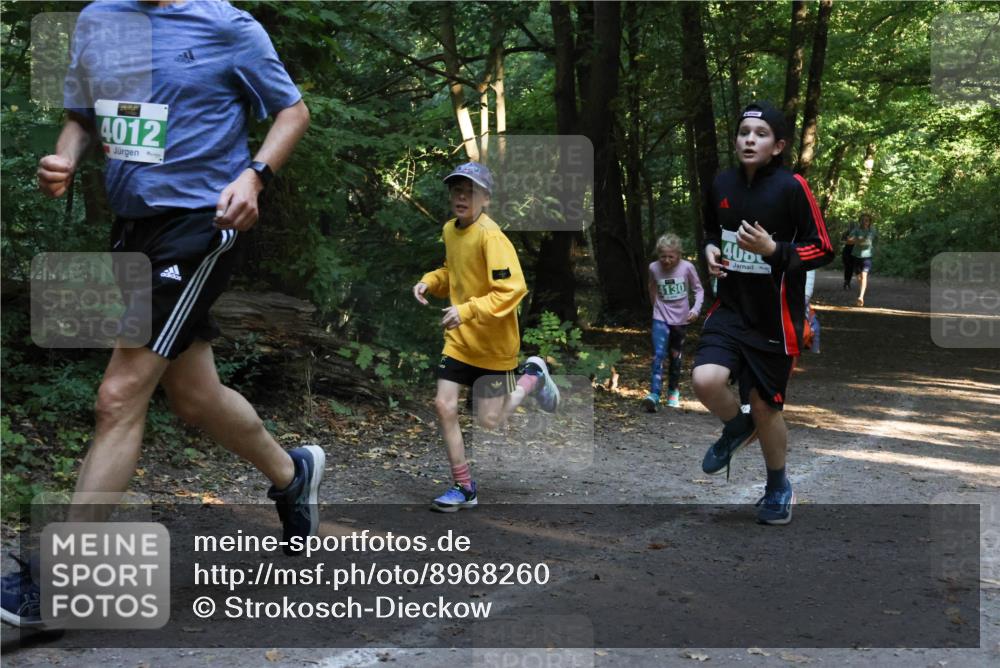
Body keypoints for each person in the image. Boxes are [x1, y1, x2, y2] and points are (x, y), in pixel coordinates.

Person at [2, 0, 317, 628]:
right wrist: (65, 158)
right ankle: (292, 473)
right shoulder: (99, 20)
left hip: (201, 221)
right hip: (133, 225)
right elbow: (83, 118)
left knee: (119, 395)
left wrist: (255, 176)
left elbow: (294, 110)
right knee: (195, 396)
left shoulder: (227, 24)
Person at [692, 101, 834, 525]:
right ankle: (737, 427)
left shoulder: (793, 187)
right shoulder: (721, 183)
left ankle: (778, 486)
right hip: (731, 307)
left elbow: (822, 246)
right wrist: (710, 251)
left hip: (775, 317)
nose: (749, 139)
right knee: (705, 380)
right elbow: (710, 231)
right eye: (743, 132)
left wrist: (775, 251)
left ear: (778, 145)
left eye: (760, 133)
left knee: (766, 406)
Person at [412, 162, 559, 513]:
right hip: (460, 340)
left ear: (486, 199)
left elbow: (512, 289)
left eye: (470, 191)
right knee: (443, 405)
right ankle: (464, 487)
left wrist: (467, 310)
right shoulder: (451, 230)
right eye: (457, 190)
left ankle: (532, 378)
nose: (462, 197)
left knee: (491, 421)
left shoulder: (491, 236)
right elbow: (454, 271)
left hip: (493, 346)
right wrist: (429, 282)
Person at [642, 234, 704, 411]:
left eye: (671, 256)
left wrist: (695, 309)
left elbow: (698, 290)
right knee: (658, 354)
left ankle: (673, 393)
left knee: (675, 357)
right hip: (660, 317)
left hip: (681, 320)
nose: (667, 260)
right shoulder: (653, 268)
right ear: (658, 255)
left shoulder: (687, 267)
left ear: (679, 255)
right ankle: (654, 394)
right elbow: (651, 287)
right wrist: (656, 306)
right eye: (663, 256)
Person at [849, 213, 877, 306]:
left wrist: (877, 248)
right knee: (859, 277)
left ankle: (861, 297)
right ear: (859, 221)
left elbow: (873, 240)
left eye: (867, 220)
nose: (865, 222)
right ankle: (861, 292)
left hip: (867, 256)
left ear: (869, 222)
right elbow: (849, 240)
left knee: (864, 276)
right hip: (856, 256)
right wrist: (858, 240)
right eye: (863, 220)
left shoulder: (872, 230)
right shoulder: (856, 230)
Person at [840, 224, 855, 290]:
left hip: (854, 252)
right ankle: (846, 281)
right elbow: (841, 241)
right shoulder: (845, 233)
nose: (851, 227)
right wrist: (847, 242)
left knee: (851, 267)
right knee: (847, 266)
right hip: (846, 251)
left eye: (852, 226)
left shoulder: (857, 233)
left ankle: (848, 282)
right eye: (850, 226)